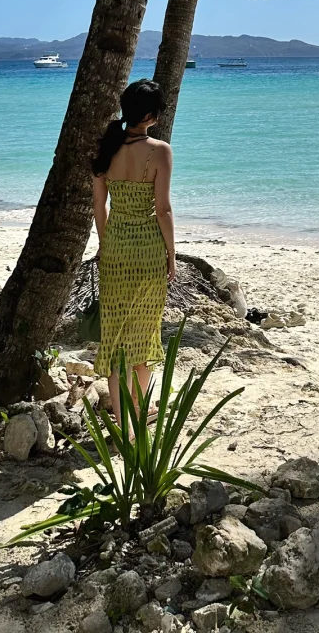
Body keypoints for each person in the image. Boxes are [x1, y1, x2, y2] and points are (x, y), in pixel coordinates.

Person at [91, 79, 176, 422]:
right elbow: (163, 210)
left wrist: (105, 242)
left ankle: (122, 419)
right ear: (152, 116)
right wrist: (171, 253)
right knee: (143, 332)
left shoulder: (105, 148)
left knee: (115, 336)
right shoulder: (159, 151)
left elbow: (100, 206)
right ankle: (138, 413)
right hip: (148, 250)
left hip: (115, 249)